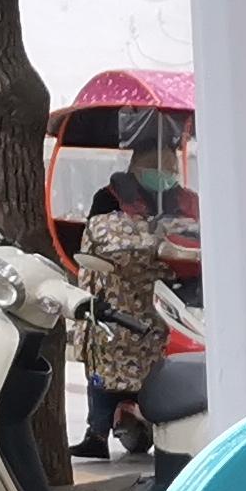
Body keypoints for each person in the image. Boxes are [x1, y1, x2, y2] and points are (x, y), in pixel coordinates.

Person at [72, 171, 167, 458]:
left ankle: (97, 436)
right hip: (149, 323)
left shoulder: (97, 227)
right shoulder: (156, 228)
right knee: (149, 380)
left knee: (100, 379)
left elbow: (87, 274)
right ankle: (163, 436)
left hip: (110, 322)